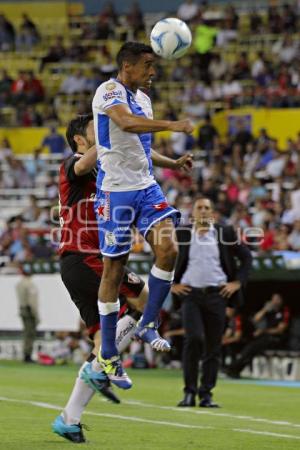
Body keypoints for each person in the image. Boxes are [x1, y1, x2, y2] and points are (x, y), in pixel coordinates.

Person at [52, 113, 193, 443]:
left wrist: (172, 160)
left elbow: (138, 151)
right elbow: (84, 166)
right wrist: (112, 132)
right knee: (143, 300)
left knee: (103, 341)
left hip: (79, 263)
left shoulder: (107, 166)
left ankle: (69, 418)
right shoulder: (72, 165)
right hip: (85, 257)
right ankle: (113, 356)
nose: (103, 134)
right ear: (80, 140)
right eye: (95, 131)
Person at [92, 41, 194, 390]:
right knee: (114, 270)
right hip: (115, 192)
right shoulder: (108, 92)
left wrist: (174, 163)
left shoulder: (145, 99)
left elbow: (142, 151)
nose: (153, 71)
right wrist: (174, 125)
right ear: (128, 66)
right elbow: (126, 123)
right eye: (148, 65)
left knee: (169, 249)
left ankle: (149, 323)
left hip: (145, 186)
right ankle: (108, 351)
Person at [172, 197, 252, 407]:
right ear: (193, 213)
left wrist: (238, 283)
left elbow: (246, 257)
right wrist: (172, 285)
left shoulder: (225, 233)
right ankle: (189, 392)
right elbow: (162, 258)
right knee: (194, 339)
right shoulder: (182, 234)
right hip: (190, 295)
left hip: (218, 296)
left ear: (213, 213)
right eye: (200, 208)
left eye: (208, 207)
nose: (204, 211)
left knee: (213, 347)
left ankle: (206, 394)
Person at [226, 293, 289, 378]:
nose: (275, 302)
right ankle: (234, 370)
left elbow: (280, 330)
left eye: (277, 299)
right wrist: (265, 309)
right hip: (264, 337)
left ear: (282, 300)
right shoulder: (270, 310)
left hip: (276, 338)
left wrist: (263, 331)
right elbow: (255, 319)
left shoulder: (285, 311)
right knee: (249, 347)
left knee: (252, 347)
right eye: (273, 299)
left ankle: (232, 368)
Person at [15, 268, 39, 363]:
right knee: (30, 333)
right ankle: (27, 355)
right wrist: (35, 314)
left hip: (23, 309)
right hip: (29, 310)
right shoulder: (29, 284)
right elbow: (32, 301)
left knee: (27, 332)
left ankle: (26, 353)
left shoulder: (19, 284)